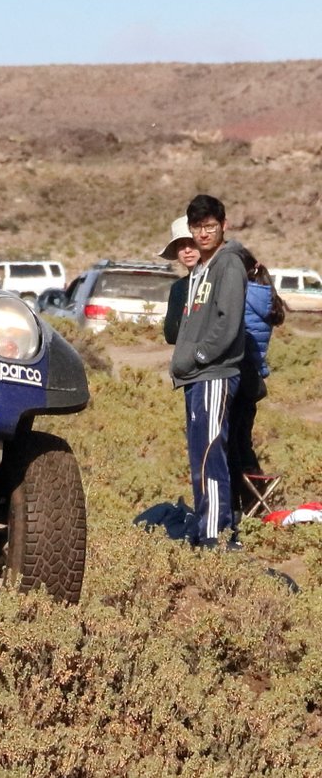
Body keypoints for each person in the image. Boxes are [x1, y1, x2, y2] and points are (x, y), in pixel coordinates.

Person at [168, 195, 247, 549]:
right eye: (197, 227)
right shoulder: (203, 268)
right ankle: (206, 531)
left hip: (214, 373)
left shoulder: (228, 265)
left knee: (210, 455)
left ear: (223, 226)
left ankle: (216, 536)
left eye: (210, 226)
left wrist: (198, 355)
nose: (203, 234)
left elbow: (227, 325)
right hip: (196, 376)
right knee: (200, 457)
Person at [228, 247, 284, 504]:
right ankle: (255, 500)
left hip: (240, 377)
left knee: (232, 442)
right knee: (243, 441)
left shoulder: (243, 295)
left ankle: (239, 501)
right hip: (253, 379)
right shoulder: (266, 296)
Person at [161, 216, 197, 345]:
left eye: (192, 243)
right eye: (182, 245)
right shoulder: (178, 287)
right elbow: (170, 334)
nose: (187, 250)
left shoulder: (218, 280)